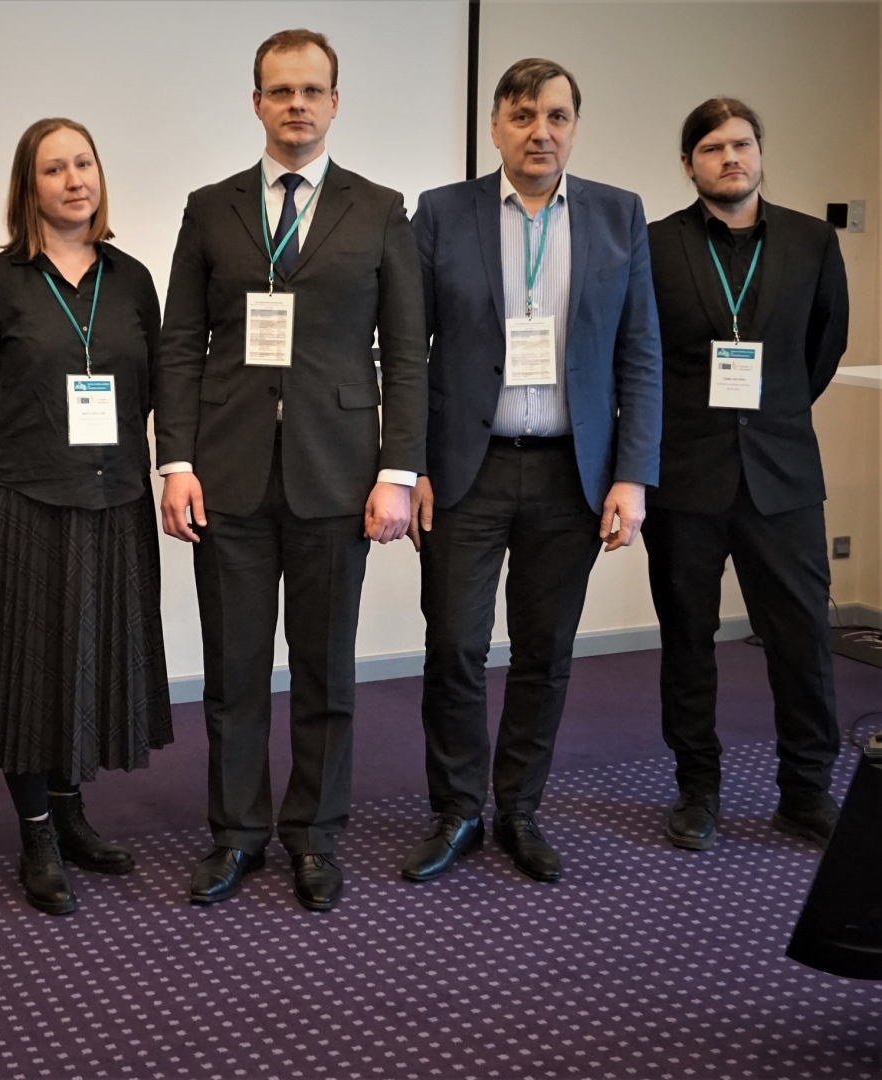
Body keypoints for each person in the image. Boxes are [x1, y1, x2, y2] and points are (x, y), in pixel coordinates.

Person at [154, 29, 427, 912]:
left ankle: (313, 835)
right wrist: (176, 460)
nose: (297, 104)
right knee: (234, 672)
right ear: (257, 103)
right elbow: (179, 344)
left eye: (312, 90)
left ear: (335, 103)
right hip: (225, 474)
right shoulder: (211, 208)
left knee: (324, 672)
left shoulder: (380, 209)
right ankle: (237, 833)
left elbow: (407, 355)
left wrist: (398, 471)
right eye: (281, 90)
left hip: (338, 475)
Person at [402, 58, 662, 884]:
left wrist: (633, 475)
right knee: (454, 647)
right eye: (522, 116)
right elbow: (407, 352)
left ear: (575, 126)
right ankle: (456, 811)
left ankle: (519, 808)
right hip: (465, 473)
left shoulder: (620, 215)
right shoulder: (442, 213)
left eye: (556, 116)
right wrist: (409, 466)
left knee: (545, 652)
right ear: (496, 127)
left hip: (570, 474)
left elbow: (640, 352)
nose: (540, 132)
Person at [0, 119, 173, 915]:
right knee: (28, 671)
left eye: (84, 164)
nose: (74, 180)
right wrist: (14, 470)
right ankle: (36, 832)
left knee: (90, 664)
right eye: (54, 169)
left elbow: (157, 388)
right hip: (27, 507)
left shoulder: (132, 278)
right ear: (28, 186)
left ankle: (72, 816)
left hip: (115, 502)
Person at [646, 99, 848, 850]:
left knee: (802, 638)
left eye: (741, 144)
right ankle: (697, 789)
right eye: (712, 147)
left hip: (783, 476)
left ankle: (806, 790)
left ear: (759, 152)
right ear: (688, 163)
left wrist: (772, 413)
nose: (730, 157)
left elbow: (824, 345)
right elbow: (641, 355)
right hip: (684, 477)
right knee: (688, 641)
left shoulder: (811, 240)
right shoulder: (655, 245)